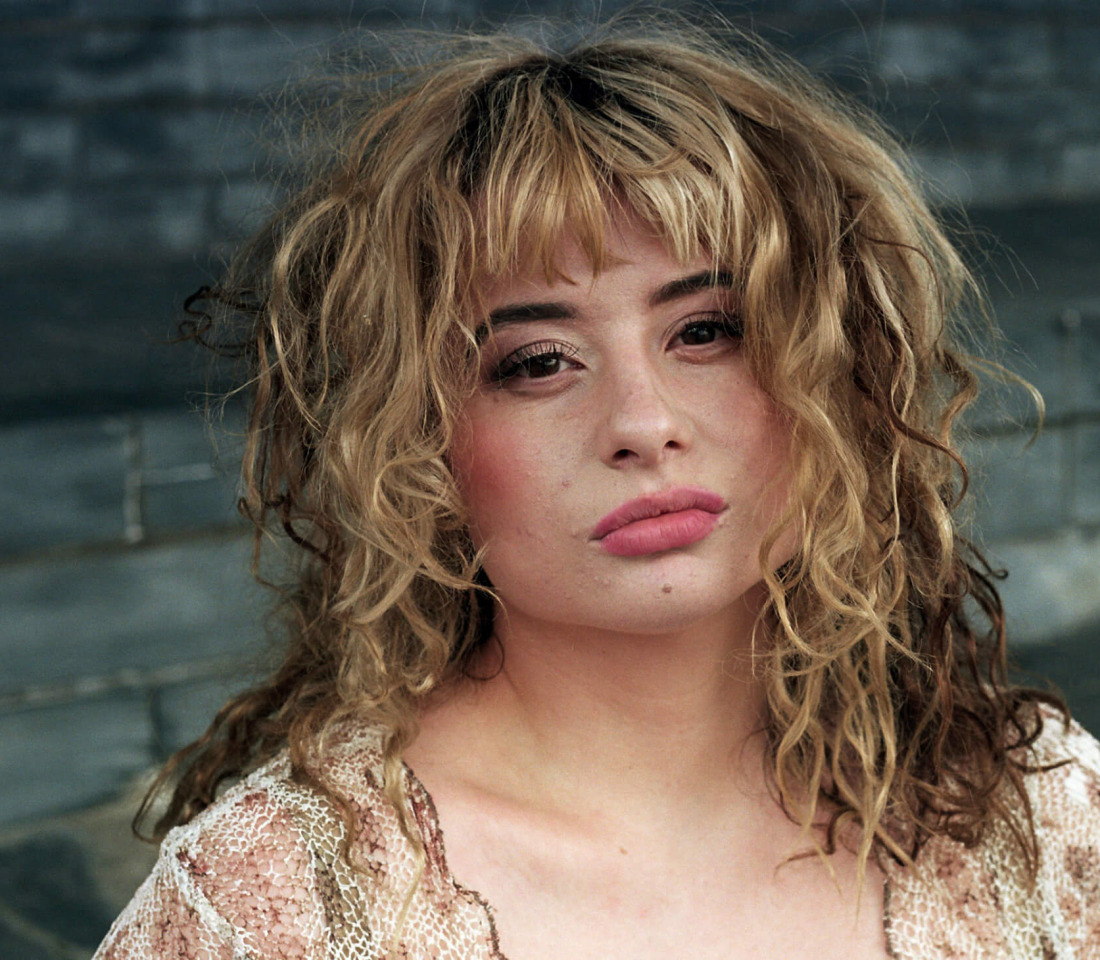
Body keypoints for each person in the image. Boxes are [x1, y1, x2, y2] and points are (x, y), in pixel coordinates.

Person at [94, 17, 1100, 960]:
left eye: (704, 331)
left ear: (839, 368)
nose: (641, 422)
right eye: (536, 362)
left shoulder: (1038, 820)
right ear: (410, 442)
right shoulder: (272, 908)